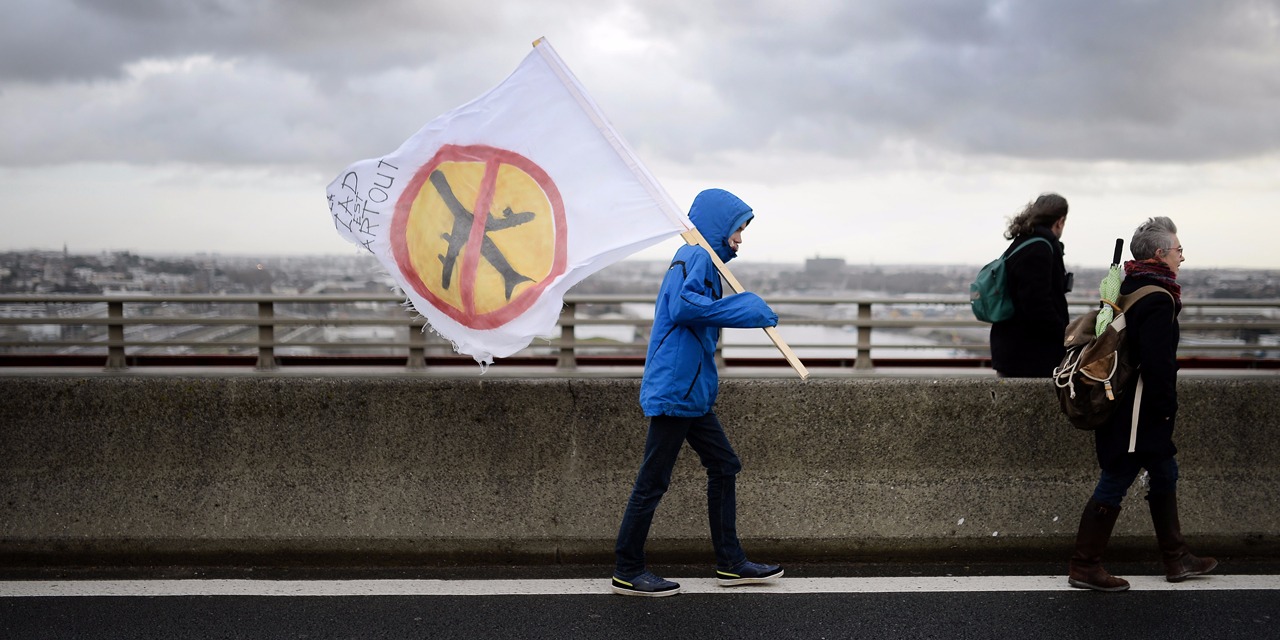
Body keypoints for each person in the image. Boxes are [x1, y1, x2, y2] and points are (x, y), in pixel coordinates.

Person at [611, 188, 784, 597]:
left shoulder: (698, 256)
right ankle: (628, 568)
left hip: (690, 392)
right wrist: (746, 309)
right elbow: (684, 308)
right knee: (652, 482)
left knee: (724, 465)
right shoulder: (696, 256)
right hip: (677, 390)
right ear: (718, 226)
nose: (740, 239)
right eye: (737, 229)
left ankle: (731, 563)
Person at [1067, 216, 1217, 591]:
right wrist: (1167, 408)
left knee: (1165, 471)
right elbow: (1158, 361)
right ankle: (1085, 566)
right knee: (1117, 477)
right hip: (1138, 409)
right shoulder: (1158, 298)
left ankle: (1176, 557)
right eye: (1179, 250)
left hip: (1122, 401)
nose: (1182, 257)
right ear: (1161, 253)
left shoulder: (1127, 286)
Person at [990, 193, 1073, 377]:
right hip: (1030, 354)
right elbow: (1037, 304)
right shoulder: (1040, 248)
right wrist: (1064, 334)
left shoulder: (1024, 241)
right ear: (1060, 221)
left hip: (1014, 349)